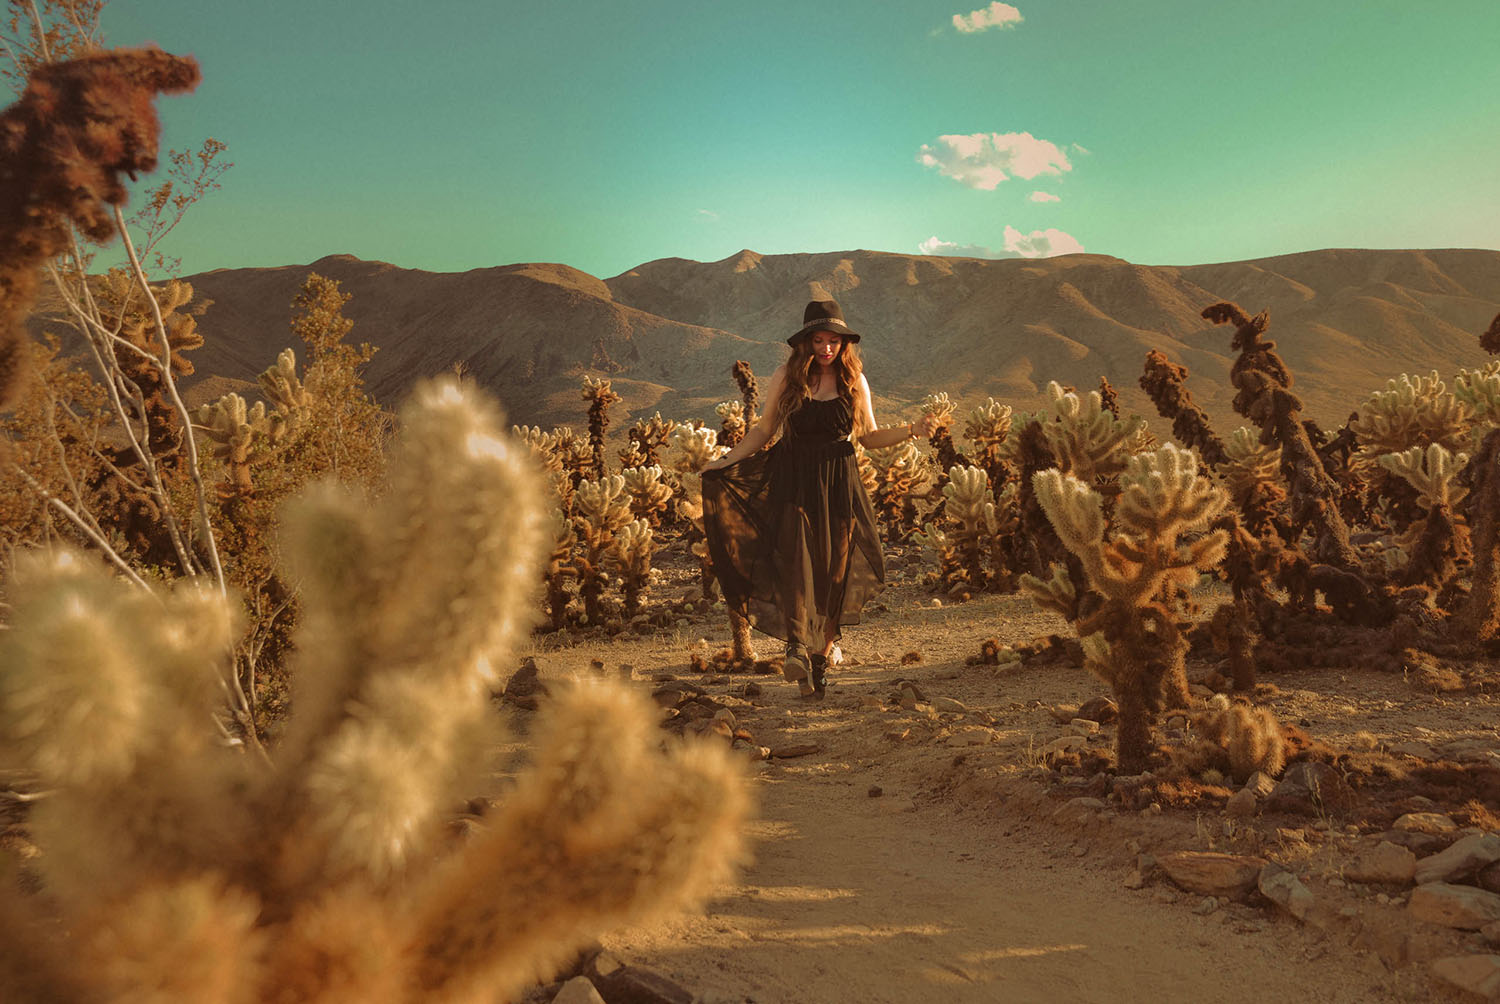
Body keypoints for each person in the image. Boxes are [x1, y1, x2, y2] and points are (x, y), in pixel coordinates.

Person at [701, 299, 937, 698]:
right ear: (806, 342)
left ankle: (821, 658)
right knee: (795, 561)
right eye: (819, 340)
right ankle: (795, 645)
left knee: (835, 572)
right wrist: (723, 460)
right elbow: (763, 431)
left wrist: (912, 429)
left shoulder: (854, 381)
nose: (827, 348)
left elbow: (868, 437)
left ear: (844, 344)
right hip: (792, 477)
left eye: (834, 341)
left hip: (840, 481)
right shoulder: (787, 377)